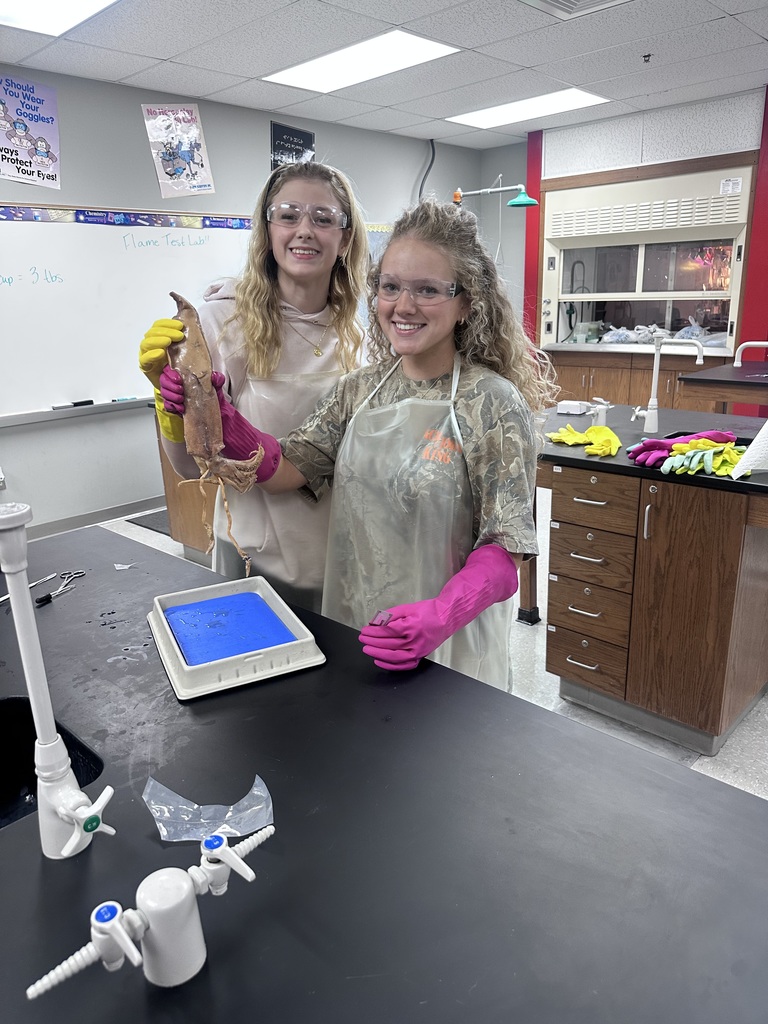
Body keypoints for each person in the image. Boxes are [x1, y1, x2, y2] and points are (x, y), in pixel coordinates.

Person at [160, 198, 557, 685]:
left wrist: (440, 615)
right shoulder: (359, 390)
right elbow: (289, 468)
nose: (404, 306)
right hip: (356, 624)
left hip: (450, 644)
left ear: (466, 303)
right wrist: (220, 416)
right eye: (391, 287)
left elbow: (505, 548)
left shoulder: (491, 402)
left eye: (428, 290)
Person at [139, 160, 369, 611]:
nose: (305, 230)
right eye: (288, 215)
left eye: (324, 218)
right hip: (252, 556)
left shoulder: (357, 335)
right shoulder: (220, 323)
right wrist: (169, 408)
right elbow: (191, 468)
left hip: (341, 557)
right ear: (268, 231)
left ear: (345, 239)